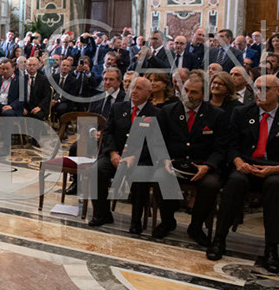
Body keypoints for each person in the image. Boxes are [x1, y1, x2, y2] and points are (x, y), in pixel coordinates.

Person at [206, 75, 279, 274]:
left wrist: (274, 169)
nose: (259, 93)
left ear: (277, 92)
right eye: (256, 88)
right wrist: (238, 162)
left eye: (265, 89)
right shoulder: (242, 112)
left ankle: (272, 248)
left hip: (274, 169)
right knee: (235, 182)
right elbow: (231, 145)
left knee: (275, 186)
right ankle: (219, 239)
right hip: (245, 165)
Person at [154, 72, 226, 245]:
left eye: (193, 92)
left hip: (203, 165)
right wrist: (164, 159)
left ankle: (196, 226)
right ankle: (167, 221)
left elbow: (221, 148)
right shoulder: (168, 111)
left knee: (211, 185)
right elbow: (157, 141)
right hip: (174, 162)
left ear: (203, 94)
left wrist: (208, 166)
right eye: (185, 90)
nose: (188, 95)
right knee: (160, 176)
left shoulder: (217, 115)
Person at [89, 77, 159, 234]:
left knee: (140, 177)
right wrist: (113, 153)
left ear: (149, 93)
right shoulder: (118, 107)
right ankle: (102, 214)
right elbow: (108, 133)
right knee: (96, 170)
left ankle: (136, 221)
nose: (134, 91)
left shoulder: (156, 113)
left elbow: (154, 142)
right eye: (132, 87)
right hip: (115, 154)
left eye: (139, 88)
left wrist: (135, 156)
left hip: (140, 159)